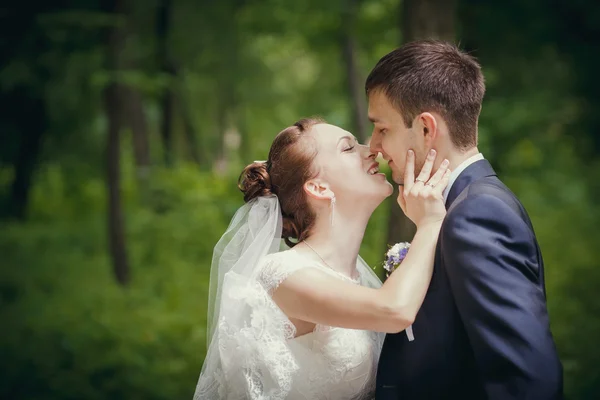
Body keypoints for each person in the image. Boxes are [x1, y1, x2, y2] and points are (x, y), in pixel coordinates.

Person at [194, 117, 451, 399]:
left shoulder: (360, 281)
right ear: (318, 187)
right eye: (348, 148)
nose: (372, 150)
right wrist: (429, 224)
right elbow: (395, 311)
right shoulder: (282, 274)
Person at [366, 40, 563, 399]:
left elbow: (527, 379)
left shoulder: (477, 214)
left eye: (382, 129)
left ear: (426, 129)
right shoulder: (456, 206)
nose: (374, 146)